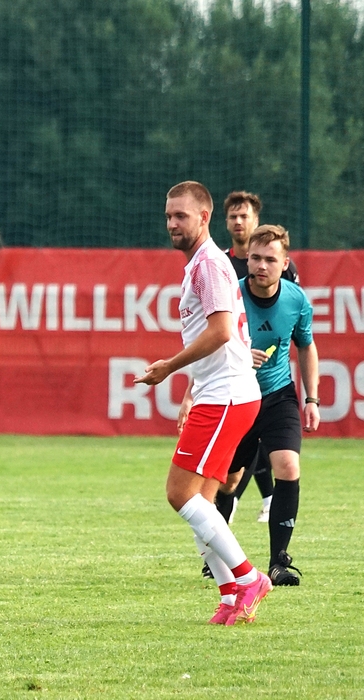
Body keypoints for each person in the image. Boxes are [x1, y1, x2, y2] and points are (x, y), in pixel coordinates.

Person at [135, 181, 270, 626]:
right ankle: (230, 596)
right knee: (204, 504)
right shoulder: (200, 263)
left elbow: (221, 331)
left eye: (181, 216)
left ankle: (249, 578)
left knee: (180, 494)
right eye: (168, 216)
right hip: (224, 393)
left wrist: (169, 368)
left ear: (204, 217)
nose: (172, 223)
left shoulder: (209, 263)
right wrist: (191, 390)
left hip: (227, 395)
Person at [212, 225, 318, 586]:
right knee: (228, 482)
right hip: (238, 395)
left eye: (270, 259)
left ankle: (278, 562)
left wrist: (312, 398)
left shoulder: (296, 299)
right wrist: (241, 355)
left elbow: (306, 346)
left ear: (284, 263)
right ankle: (219, 556)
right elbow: (209, 344)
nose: (261, 265)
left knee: (288, 466)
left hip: (278, 396)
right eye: (255, 258)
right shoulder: (230, 296)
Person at [221, 191, 302, 523]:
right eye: (233, 217)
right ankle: (234, 503)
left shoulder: (284, 273)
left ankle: (267, 502)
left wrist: (310, 396)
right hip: (233, 382)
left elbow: (293, 320)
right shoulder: (222, 267)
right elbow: (212, 333)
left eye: (245, 216)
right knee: (230, 471)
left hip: (272, 383)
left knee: (278, 451)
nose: (238, 222)